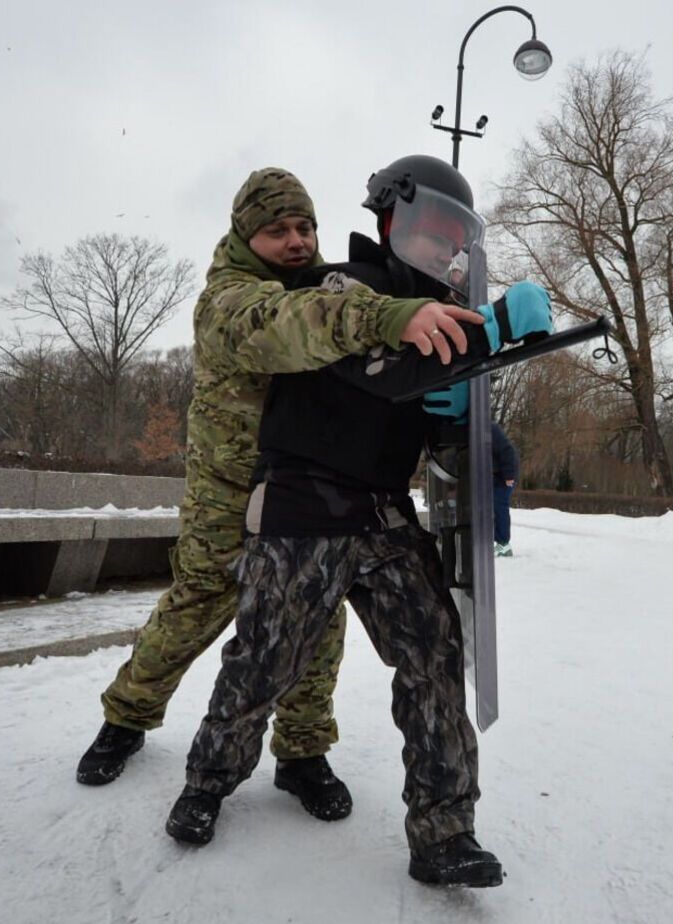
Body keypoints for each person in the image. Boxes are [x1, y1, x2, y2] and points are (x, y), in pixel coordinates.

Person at [164, 155, 553, 888]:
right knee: (265, 662)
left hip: (382, 511)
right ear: (390, 222)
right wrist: (492, 332)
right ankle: (208, 780)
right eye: (430, 233)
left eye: (453, 241)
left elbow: (458, 444)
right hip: (304, 503)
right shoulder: (342, 283)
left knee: (435, 651)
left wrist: (469, 412)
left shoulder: (447, 317)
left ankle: (444, 830)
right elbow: (385, 365)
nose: (442, 252)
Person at [79, 169, 481, 823]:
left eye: (305, 228)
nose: (296, 242)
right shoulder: (234, 299)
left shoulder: (333, 288)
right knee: (197, 607)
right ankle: (127, 716)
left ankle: (301, 753)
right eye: (277, 231)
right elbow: (294, 324)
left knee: (316, 624)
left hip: (301, 491)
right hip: (227, 491)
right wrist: (393, 316)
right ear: (245, 236)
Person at [491, 421, 519, 557]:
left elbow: (507, 450)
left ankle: (504, 544)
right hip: (495, 475)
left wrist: (509, 475)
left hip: (503, 476)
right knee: (494, 507)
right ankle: (499, 541)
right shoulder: (480, 427)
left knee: (500, 506)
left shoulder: (490, 428)